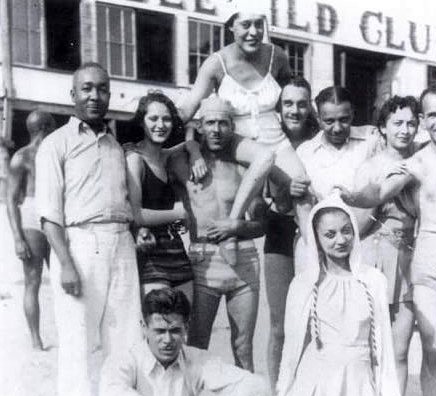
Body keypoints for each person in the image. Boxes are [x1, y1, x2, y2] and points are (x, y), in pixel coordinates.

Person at [35, 62, 142, 396]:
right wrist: (65, 264)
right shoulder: (55, 145)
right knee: (78, 346)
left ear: (110, 95)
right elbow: (49, 215)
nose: (94, 96)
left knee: (126, 342)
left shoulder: (116, 146)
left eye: (101, 89)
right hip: (81, 247)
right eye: (86, 89)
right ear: (73, 95)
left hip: (122, 246)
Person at [340, 84, 436, 396]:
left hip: (409, 256)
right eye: (432, 114)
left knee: (401, 349)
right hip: (397, 259)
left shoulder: (413, 155)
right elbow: (377, 195)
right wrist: (355, 198)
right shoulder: (407, 163)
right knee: (391, 348)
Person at [178, 6, 311, 254]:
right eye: (246, 25)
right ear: (231, 26)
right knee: (257, 207)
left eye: (259, 24)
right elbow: (188, 110)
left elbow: (295, 99)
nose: (253, 32)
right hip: (237, 144)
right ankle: (234, 229)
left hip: (275, 140)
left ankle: (313, 258)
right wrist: (191, 144)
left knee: (302, 190)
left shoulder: (277, 56)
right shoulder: (215, 63)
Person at [271, 194, 401, 396]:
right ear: (317, 240)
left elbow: (384, 349)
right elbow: (292, 348)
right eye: (330, 234)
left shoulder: (373, 280)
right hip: (314, 381)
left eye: (346, 231)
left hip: (360, 381)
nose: (340, 240)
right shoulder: (304, 283)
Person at [170, 96, 271, 372]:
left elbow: (261, 224)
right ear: (200, 126)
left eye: (223, 123)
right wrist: (193, 149)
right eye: (210, 122)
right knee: (196, 345)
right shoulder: (181, 162)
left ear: (232, 127)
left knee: (243, 346)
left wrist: (236, 226)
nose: (216, 129)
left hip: (244, 260)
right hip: (203, 262)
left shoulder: (243, 166)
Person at [99, 287, 270, 396]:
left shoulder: (196, 358)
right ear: (144, 327)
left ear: (186, 328)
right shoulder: (126, 358)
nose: (167, 340)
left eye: (174, 331)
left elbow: (259, 386)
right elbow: (111, 394)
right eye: (159, 331)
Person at [353, 96, 419, 396]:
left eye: (411, 123)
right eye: (397, 123)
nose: (405, 130)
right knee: (367, 346)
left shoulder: (422, 162)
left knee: (401, 348)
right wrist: (380, 193)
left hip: (407, 259)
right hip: (372, 255)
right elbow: (358, 224)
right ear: (383, 127)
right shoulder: (370, 166)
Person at [264, 77, 319, 389]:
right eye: (288, 103)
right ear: (278, 107)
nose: (295, 110)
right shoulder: (268, 139)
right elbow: (257, 203)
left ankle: (308, 392)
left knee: (314, 322)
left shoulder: (319, 139)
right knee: (279, 326)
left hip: (314, 232)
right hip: (279, 229)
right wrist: (283, 191)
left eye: (301, 103)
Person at [291, 86, 379, 270]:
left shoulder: (371, 141)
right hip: (315, 245)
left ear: (353, 114)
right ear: (317, 118)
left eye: (344, 120)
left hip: (362, 244)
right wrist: (318, 247)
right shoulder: (305, 152)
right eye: (329, 121)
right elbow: (301, 205)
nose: (337, 128)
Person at [125, 91, 194, 298]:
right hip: (150, 255)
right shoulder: (135, 159)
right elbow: (136, 214)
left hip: (177, 252)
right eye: (153, 118)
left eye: (166, 119)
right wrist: (179, 213)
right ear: (142, 122)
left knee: (184, 326)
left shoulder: (166, 156)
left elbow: (191, 142)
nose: (160, 125)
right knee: (158, 324)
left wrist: (195, 148)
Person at [6, 110, 55, 350]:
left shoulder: (23, 157)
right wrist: (17, 238)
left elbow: (12, 201)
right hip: (40, 213)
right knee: (37, 282)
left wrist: (18, 238)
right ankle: (36, 341)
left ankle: (38, 341)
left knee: (34, 283)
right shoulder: (25, 156)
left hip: (41, 214)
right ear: (46, 127)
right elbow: (11, 200)